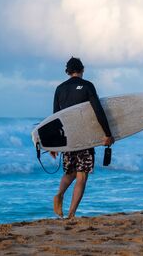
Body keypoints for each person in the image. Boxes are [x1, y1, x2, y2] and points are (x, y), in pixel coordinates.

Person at [50, 57, 114, 219]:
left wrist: (54, 144)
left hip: (68, 139)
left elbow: (55, 118)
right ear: (82, 69)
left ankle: (59, 194)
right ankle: (71, 214)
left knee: (70, 171)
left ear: (67, 71)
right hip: (85, 137)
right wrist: (107, 134)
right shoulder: (87, 86)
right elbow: (98, 111)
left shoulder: (59, 89)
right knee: (82, 175)